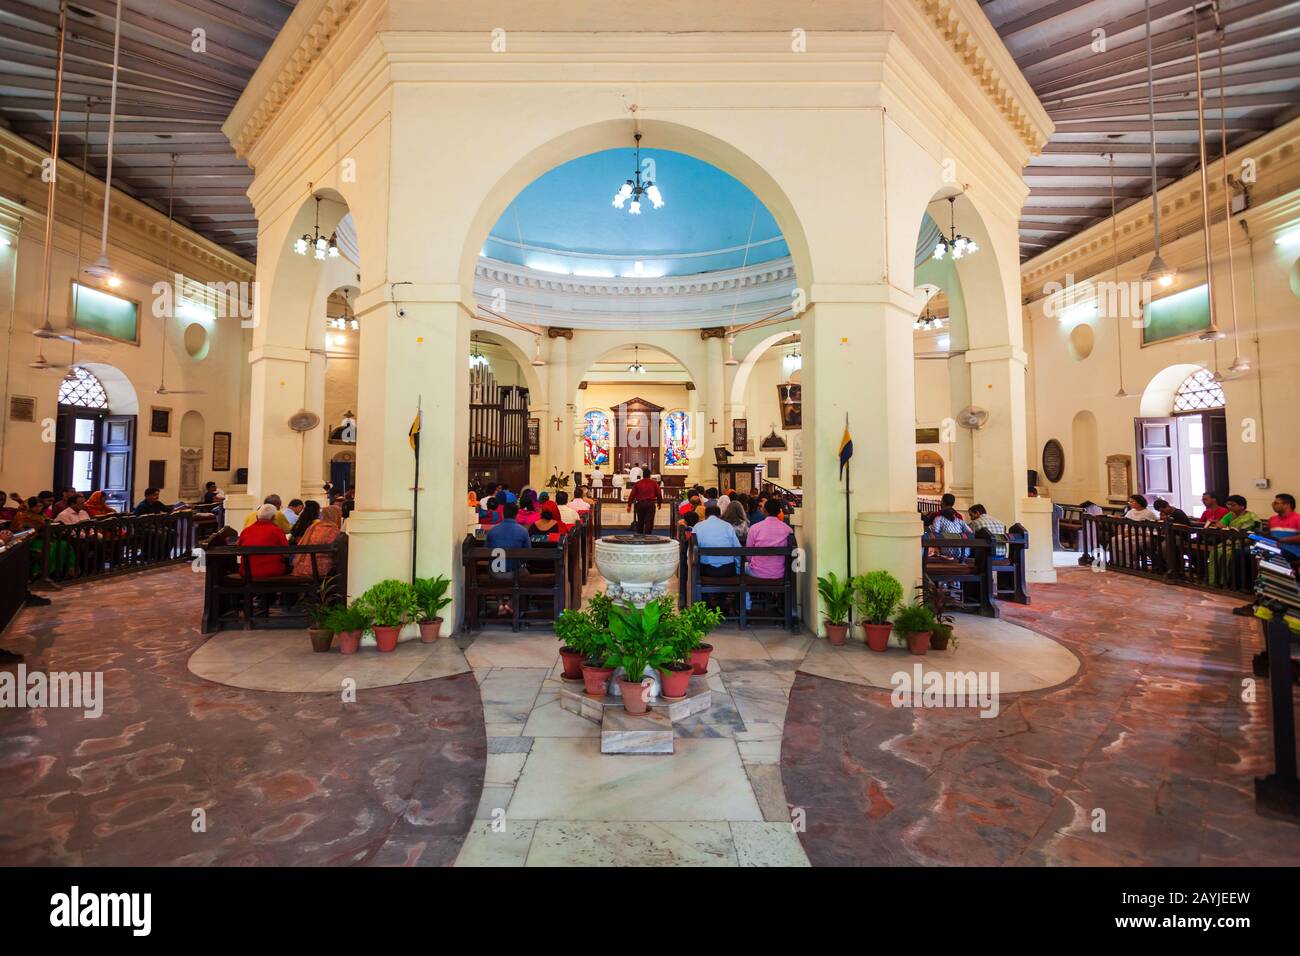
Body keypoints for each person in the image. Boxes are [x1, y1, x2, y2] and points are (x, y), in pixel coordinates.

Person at [745, 498, 795, 579]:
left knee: (741, 568)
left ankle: (747, 592)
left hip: (757, 572)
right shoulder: (788, 529)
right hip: (779, 572)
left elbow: (748, 554)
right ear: (779, 511)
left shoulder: (754, 528)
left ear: (765, 511)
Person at [237, 504, 290, 578]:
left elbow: (238, 552)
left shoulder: (246, 531)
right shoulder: (277, 531)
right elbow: (286, 554)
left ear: (256, 517)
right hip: (272, 571)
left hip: (246, 572)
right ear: (273, 518)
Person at [291, 505, 342, 577]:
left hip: (300, 567)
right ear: (337, 516)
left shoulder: (314, 526)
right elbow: (336, 550)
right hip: (318, 569)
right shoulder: (333, 529)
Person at [692, 504, 741, 576]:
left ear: (705, 516)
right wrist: (737, 568)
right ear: (720, 516)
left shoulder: (698, 526)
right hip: (728, 569)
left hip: (705, 569)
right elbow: (737, 548)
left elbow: (693, 549)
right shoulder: (727, 526)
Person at [486, 501, 531, 577]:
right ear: (517, 515)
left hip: (495, 573)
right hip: (515, 573)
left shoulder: (492, 530)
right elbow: (527, 554)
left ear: (503, 514)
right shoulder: (523, 531)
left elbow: (486, 551)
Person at [626, 471, 662, 535]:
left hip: (640, 504)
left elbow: (632, 495)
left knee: (640, 521)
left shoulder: (638, 483)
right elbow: (659, 494)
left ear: (643, 475)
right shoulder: (654, 483)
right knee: (649, 521)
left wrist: (629, 505)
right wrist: (659, 503)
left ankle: (640, 536)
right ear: (650, 476)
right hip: (650, 504)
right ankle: (648, 536)